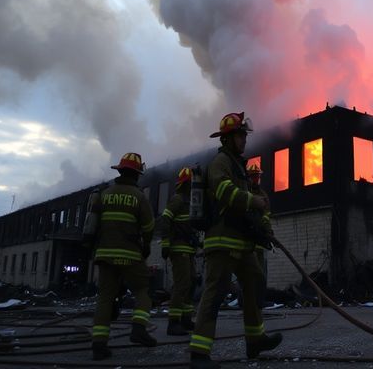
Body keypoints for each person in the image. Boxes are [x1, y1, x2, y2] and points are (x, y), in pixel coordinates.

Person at [189, 112, 282, 369]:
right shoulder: (220, 162)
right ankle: (199, 353)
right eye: (240, 135)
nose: (244, 140)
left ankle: (255, 340)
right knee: (215, 292)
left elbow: (249, 207)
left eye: (244, 135)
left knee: (254, 283)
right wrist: (253, 200)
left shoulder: (239, 165)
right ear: (227, 138)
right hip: (222, 241)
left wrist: (262, 228)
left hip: (242, 243)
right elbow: (224, 191)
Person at [85, 152, 157, 361]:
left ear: (120, 171)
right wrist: (146, 245)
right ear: (136, 174)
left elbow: (93, 225)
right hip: (130, 254)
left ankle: (99, 345)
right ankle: (139, 329)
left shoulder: (104, 194)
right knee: (142, 290)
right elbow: (149, 226)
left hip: (105, 254)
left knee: (105, 297)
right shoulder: (139, 196)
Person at [158, 166, 198, 335]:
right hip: (179, 247)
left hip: (188, 248)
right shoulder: (178, 199)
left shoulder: (191, 201)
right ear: (185, 184)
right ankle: (173, 323)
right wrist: (165, 243)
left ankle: (186, 319)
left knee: (191, 282)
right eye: (190, 184)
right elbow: (165, 219)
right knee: (182, 284)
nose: (192, 187)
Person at [246, 163, 273, 308]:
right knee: (248, 274)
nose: (256, 179)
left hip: (259, 242)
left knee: (261, 273)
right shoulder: (243, 193)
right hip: (247, 241)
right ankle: (247, 300)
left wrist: (268, 231)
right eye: (253, 176)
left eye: (257, 176)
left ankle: (259, 300)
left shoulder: (263, 195)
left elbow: (266, 216)